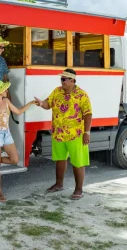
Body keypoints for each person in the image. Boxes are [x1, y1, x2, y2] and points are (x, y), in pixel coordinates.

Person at [34, 68, 92, 200]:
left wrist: (86, 132)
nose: (62, 81)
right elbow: (48, 104)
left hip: (75, 134)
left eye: (65, 79)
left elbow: (88, 114)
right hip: (58, 133)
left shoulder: (81, 95)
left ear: (72, 80)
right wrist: (41, 103)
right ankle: (59, 184)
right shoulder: (57, 91)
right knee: (60, 160)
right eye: (61, 79)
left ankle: (78, 189)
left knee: (78, 162)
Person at [0, 79, 36, 202]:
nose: (7, 91)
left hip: (6, 133)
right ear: (0, 92)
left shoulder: (6, 101)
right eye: (5, 89)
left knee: (15, 159)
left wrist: (31, 103)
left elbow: (18, 111)